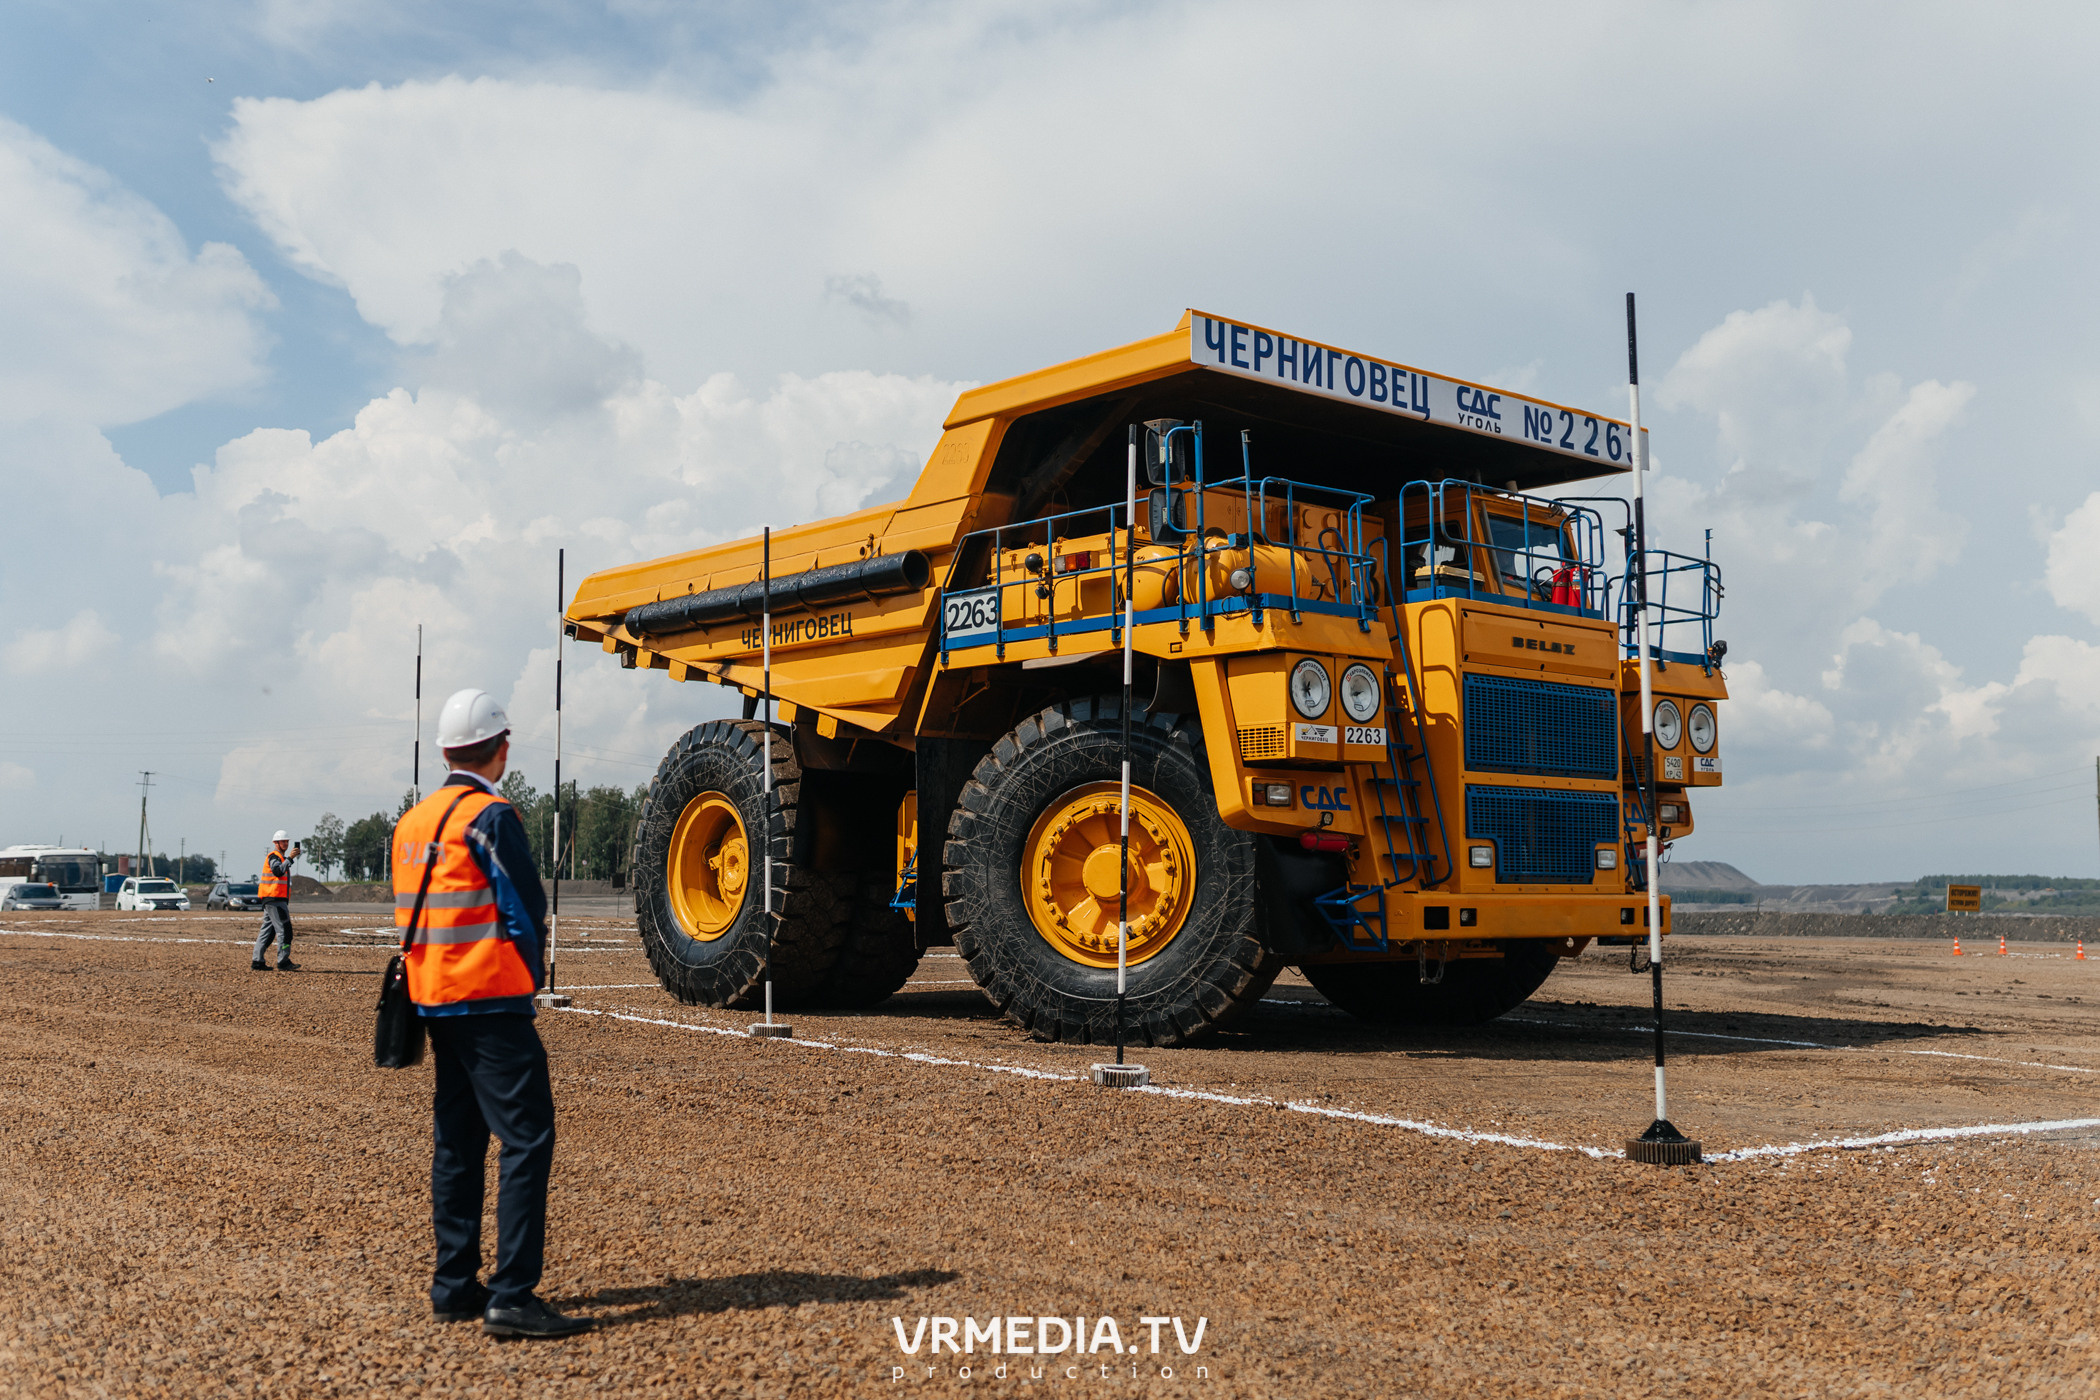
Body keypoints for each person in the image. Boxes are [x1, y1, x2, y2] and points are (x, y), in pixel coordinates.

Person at [393, 687, 589, 1340]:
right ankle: (512, 1295)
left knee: (458, 1140)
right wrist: (529, 977)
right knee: (527, 1138)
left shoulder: (414, 822)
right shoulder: (491, 816)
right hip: (492, 1003)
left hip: (434, 1002)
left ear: (448, 750)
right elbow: (524, 912)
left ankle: (453, 1287)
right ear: (499, 748)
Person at [251, 831, 300, 971]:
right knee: (285, 930)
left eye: (287, 841)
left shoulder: (280, 857)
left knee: (267, 931)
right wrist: (290, 858)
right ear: (276, 843)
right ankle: (283, 962)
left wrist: (288, 859)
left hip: (273, 899)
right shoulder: (274, 856)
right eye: (283, 841)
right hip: (274, 899)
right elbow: (277, 871)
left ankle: (257, 961)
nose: (286, 844)